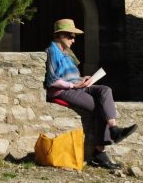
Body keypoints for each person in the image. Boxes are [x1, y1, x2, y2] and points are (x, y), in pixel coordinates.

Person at [44, 18, 137, 170]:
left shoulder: (67, 53)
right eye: (70, 36)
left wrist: (83, 79)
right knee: (99, 107)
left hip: (76, 85)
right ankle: (99, 154)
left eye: (74, 36)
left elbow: (71, 75)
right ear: (60, 35)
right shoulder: (52, 52)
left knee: (105, 90)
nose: (73, 40)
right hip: (64, 90)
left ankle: (113, 129)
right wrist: (73, 85)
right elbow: (52, 81)